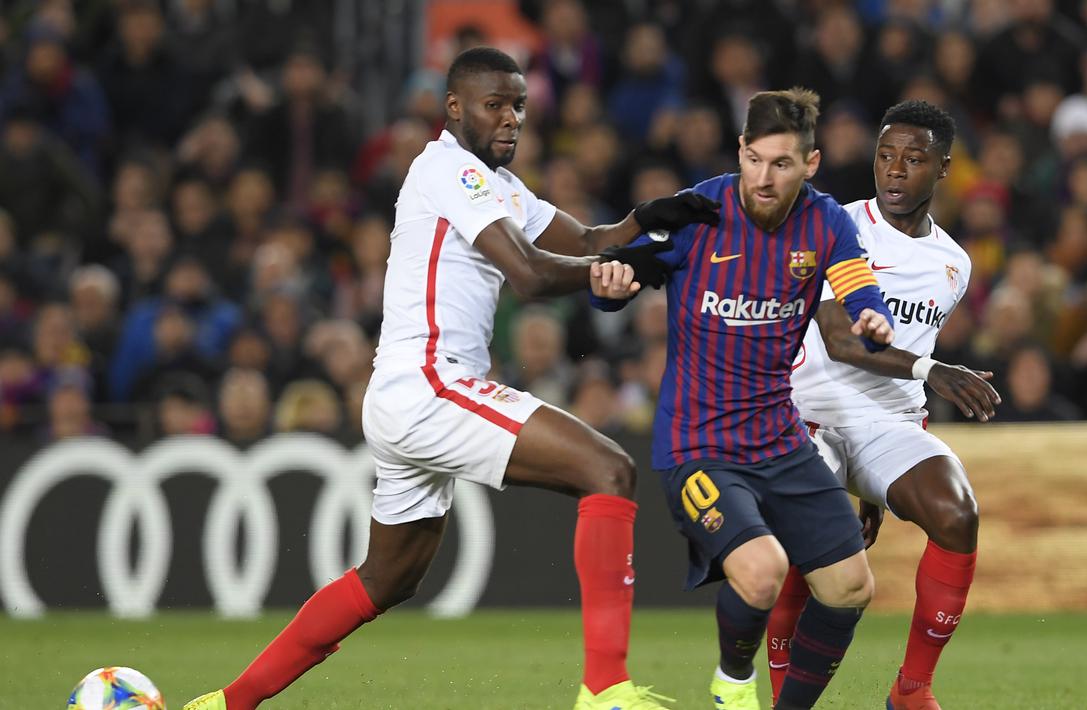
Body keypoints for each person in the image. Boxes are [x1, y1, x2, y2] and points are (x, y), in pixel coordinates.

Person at [184, 47, 719, 710]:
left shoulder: (499, 185)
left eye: (519, 104)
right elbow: (529, 274)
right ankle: (606, 690)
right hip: (429, 385)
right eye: (495, 104)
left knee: (387, 580)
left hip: (406, 393)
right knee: (607, 470)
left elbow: (586, 239)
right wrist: (614, 271)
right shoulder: (448, 169)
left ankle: (225, 703)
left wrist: (647, 221)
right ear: (454, 108)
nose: (511, 118)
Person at [592, 88, 895, 710]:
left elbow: (859, 290)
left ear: (809, 164)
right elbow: (614, 276)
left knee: (850, 586)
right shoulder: (698, 210)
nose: (763, 177)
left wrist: (873, 319)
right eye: (754, 159)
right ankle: (733, 682)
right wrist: (613, 281)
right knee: (762, 572)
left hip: (780, 442)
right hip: (697, 446)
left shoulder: (827, 223)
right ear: (740, 151)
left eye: (781, 164)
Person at [763, 100, 1002, 710]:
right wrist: (934, 371)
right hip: (806, 412)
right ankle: (787, 697)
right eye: (886, 156)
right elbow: (842, 342)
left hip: (887, 422)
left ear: (943, 168)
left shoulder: (954, 264)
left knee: (957, 513)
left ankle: (912, 689)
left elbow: (908, 356)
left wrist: (870, 490)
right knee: (808, 538)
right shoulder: (832, 225)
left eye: (913, 159)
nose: (895, 171)